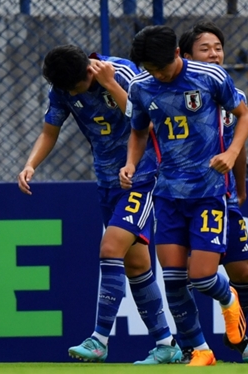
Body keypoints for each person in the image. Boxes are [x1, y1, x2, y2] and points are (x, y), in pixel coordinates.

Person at [17, 45, 180, 364]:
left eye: (76, 86)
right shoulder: (63, 89)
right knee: (135, 265)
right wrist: (30, 164)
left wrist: (111, 85)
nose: (72, 91)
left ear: (88, 70)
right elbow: (50, 132)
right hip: (107, 180)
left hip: (142, 176)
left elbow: (147, 124)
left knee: (110, 249)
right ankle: (166, 343)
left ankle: (99, 339)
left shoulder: (124, 73)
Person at [121, 25, 248, 366]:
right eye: (151, 69)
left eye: (161, 68)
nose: (158, 75)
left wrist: (232, 153)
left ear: (178, 55)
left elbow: (245, 115)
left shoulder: (209, 77)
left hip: (208, 192)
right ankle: (201, 350)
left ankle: (228, 299)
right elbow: (137, 131)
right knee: (174, 279)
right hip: (166, 194)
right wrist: (131, 164)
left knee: (203, 276)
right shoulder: (141, 87)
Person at [178, 22, 248, 361]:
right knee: (186, 274)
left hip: (224, 197)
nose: (214, 54)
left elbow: (239, 145)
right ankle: (191, 345)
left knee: (242, 272)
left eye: (218, 48)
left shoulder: (232, 93)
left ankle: (242, 337)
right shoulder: (179, 94)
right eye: (205, 49)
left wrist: (240, 187)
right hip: (188, 197)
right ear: (186, 56)